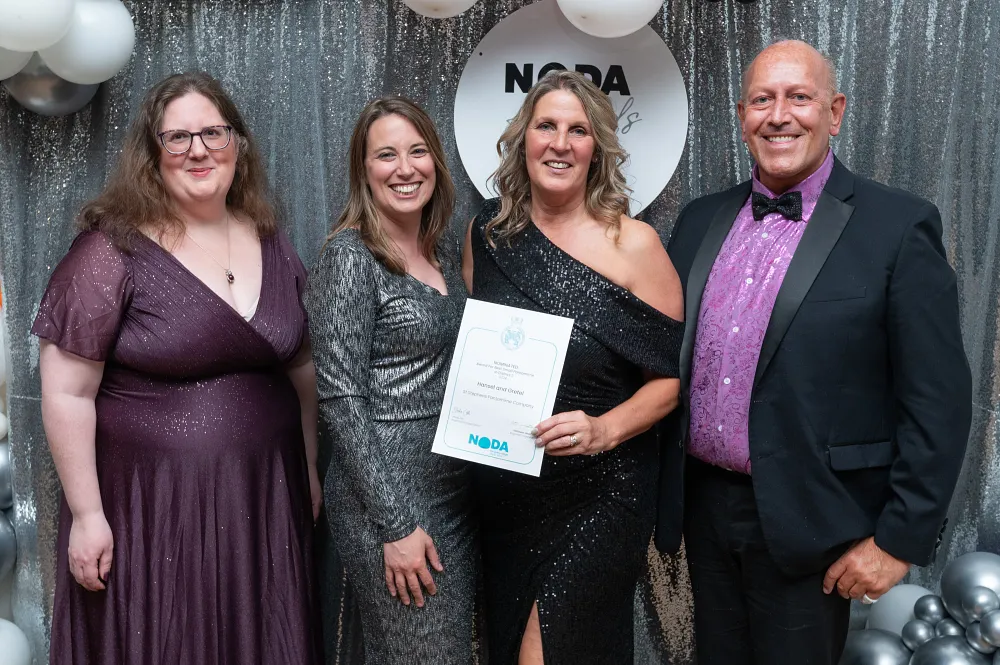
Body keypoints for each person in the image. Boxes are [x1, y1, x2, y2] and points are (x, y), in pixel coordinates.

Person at [657, 40, 972, 664]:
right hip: (704, 510)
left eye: (799, 97)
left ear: (835, 112)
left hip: (818, 522)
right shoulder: (698, 220)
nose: (779, 115)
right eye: (762, 100)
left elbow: (937, 398)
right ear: (741, 115)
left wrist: (898, 539)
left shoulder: (899, 226)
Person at [33, 72, 323, 664]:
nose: (198, 151)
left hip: (265, 497)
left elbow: (302, 369)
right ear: (152, 154)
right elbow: (66, 393)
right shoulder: (110, 251)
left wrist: (311, 470)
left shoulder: (272, 242)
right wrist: (87, 515)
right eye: (178, 138)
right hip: (154, 510)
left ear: (237, 145)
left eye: (214, 133)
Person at [461, 70, 684, 664]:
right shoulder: (486, 235)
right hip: (509, 491)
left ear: (596, 148)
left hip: (602, 489)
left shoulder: (634, 244)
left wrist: (603, 429)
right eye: (546, 126)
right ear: (523, 140)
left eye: (577, 130)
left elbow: (671, 380)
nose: (560, 143)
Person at [307, 97, 476, 664]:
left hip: (452, 489)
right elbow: (340, 399)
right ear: (363, 169)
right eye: (386, 155)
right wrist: (396, 524)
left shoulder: (442, 252)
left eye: (417, 151)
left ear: (436, 162)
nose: (405, 168)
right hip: (390, 496)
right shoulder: (350, 257)